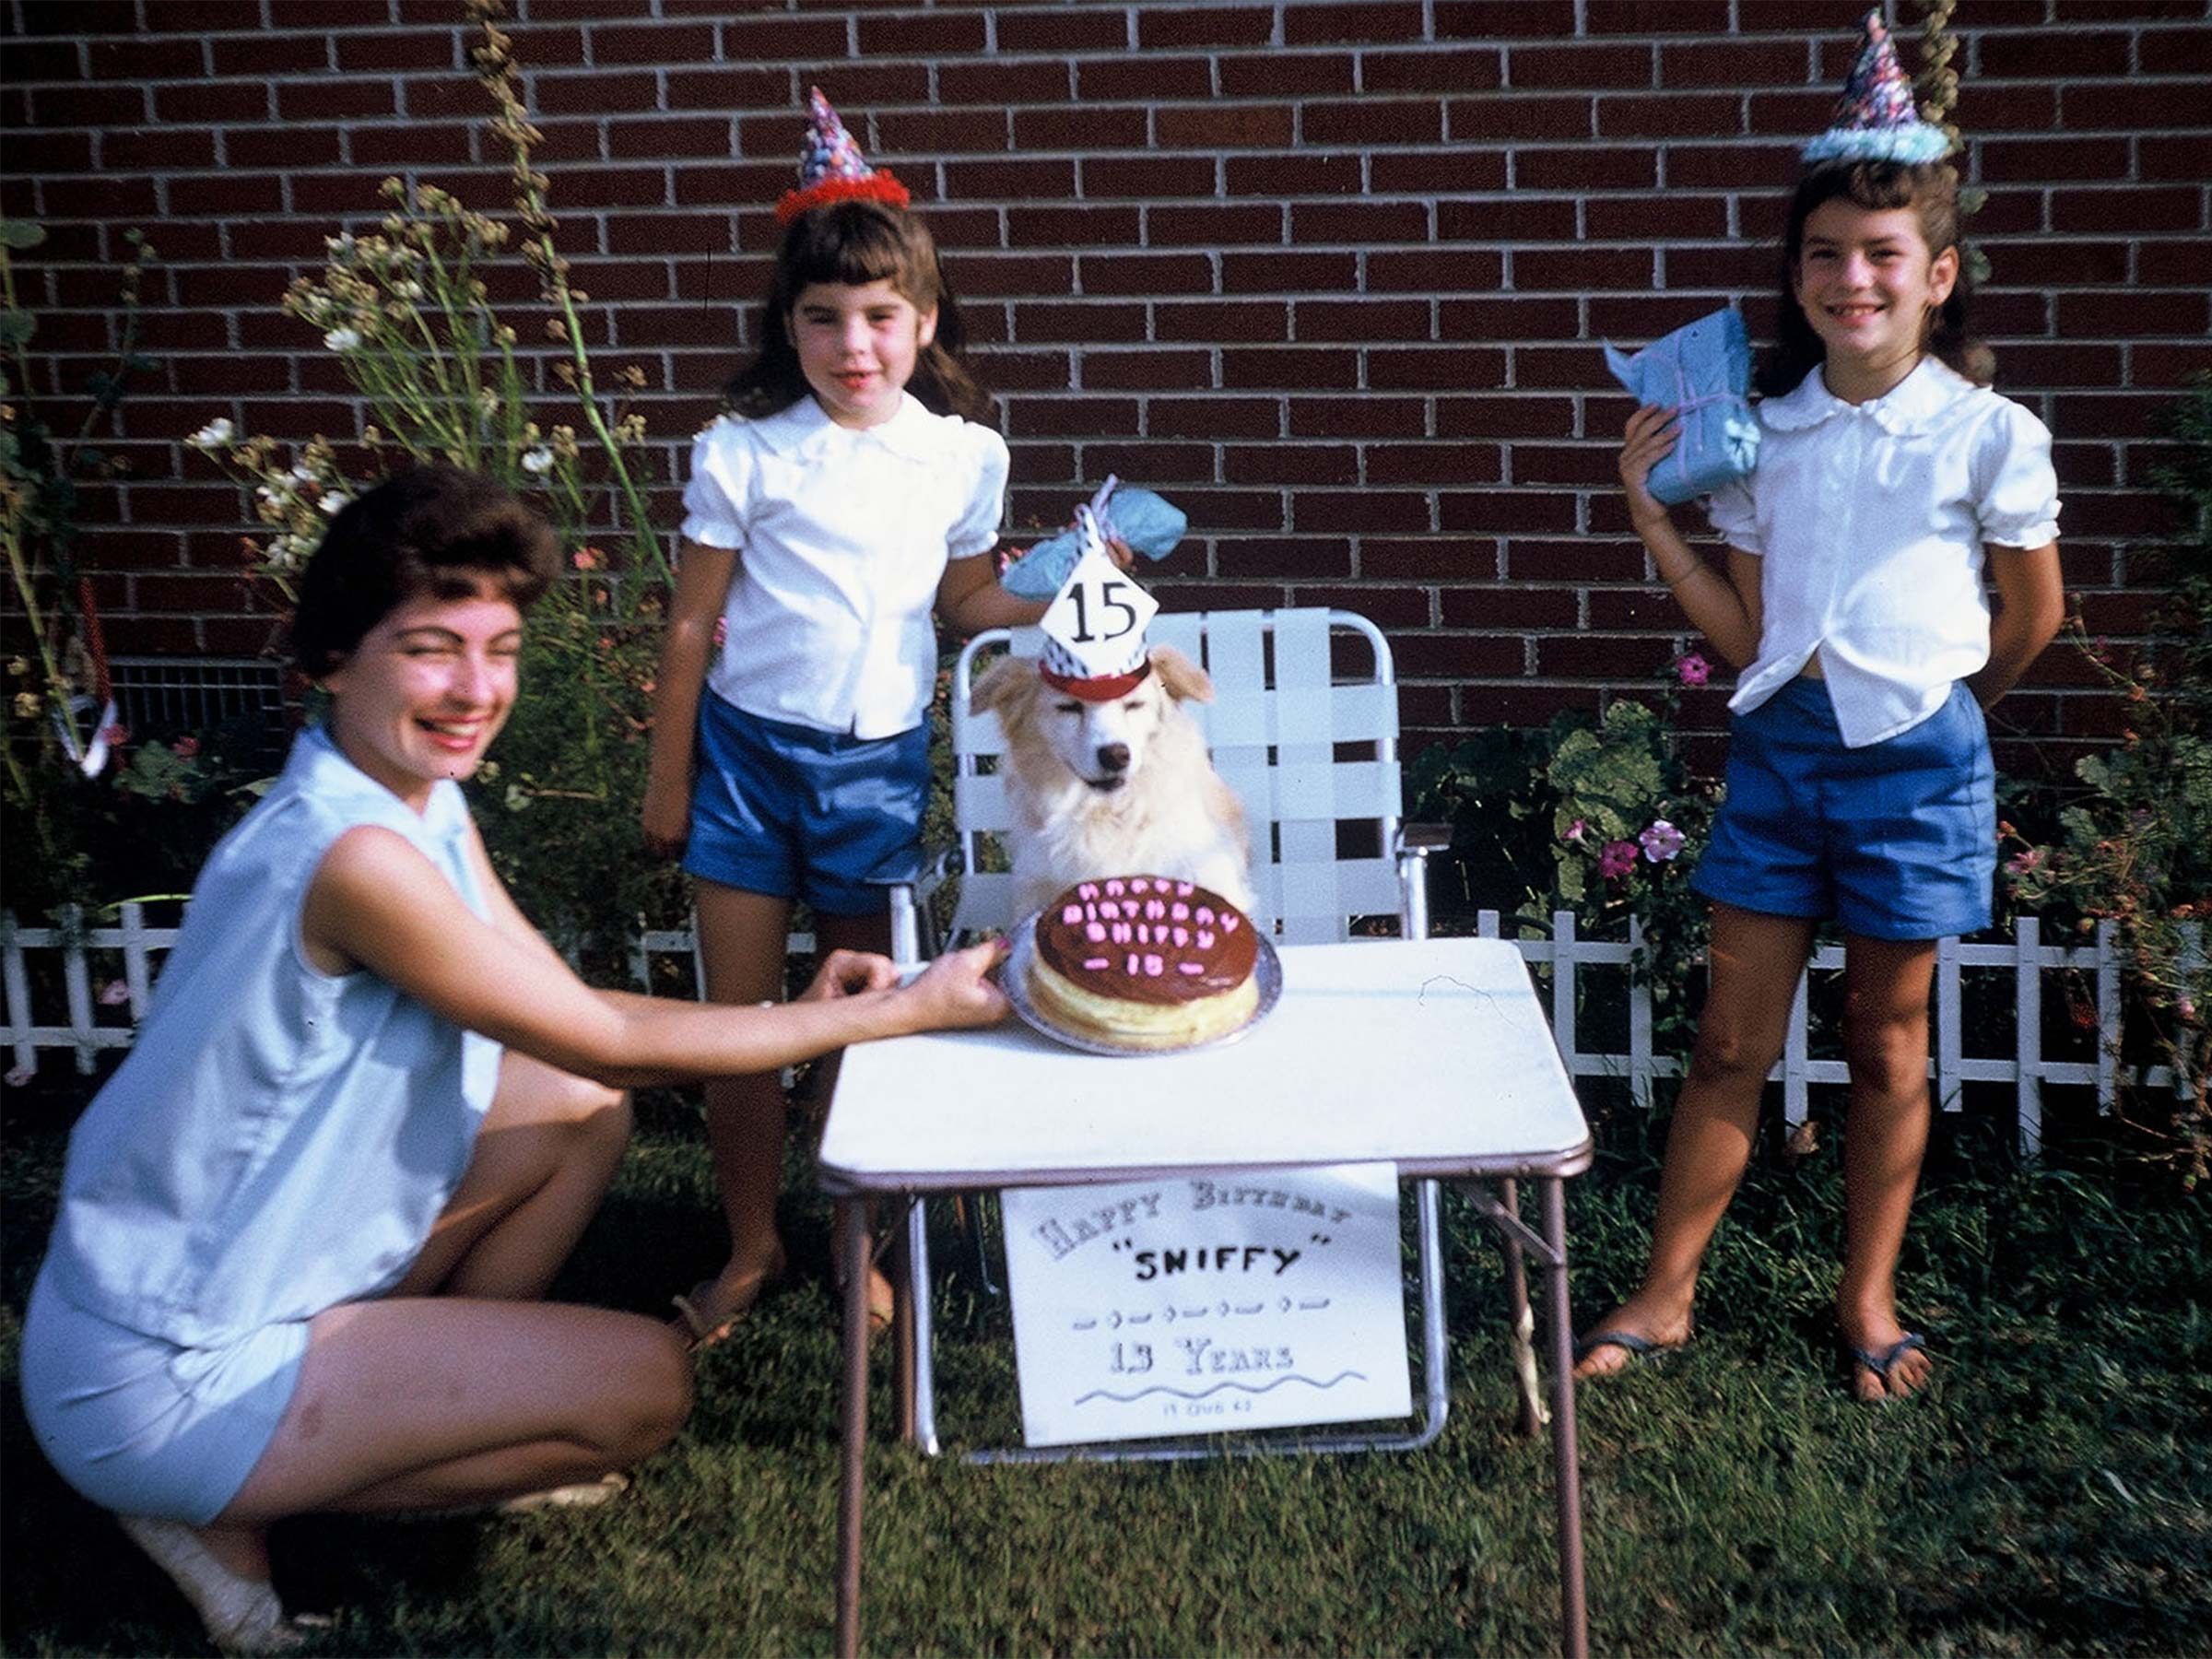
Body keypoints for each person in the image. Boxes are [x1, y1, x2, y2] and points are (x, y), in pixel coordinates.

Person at [20, 465, 1011, 1653]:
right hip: (164, 1376)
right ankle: (220, 1498)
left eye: (499, 649)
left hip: (164, 1288)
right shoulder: (357, 862)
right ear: (333, 657)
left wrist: (810, 1002)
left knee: (579, 1111)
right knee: (647, 1386)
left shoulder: (400, 797)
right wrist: (889, 1015)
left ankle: (411, 1403)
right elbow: (614, 1033)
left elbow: (567, 1020)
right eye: (433, 650)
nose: (475, 689)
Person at [1574, 15, 2064, 1402]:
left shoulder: (1984, 434)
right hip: (1782, 753)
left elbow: (2032, 616)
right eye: (1826, 254)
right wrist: (1648, 516)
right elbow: (1746, 632)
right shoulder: (1763, 436)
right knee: (1733, 1036)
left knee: (1885, 1037)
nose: (1854, 277)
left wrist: (1945, 713)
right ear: (1797, 277)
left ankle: (1868, 1299)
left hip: (1916, 759)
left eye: (1883, 255)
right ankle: (1666, 1298)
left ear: (1937, 275)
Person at [641, 91, 1057, 1344]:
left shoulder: (959, 454)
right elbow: (687, 627)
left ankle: (856, 1236)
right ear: (788, 326)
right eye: (823, 318)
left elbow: (968, 599)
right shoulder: (745, 451)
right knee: (742, 1026)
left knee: (866, 1016)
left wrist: (1068, 595)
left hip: (873, 766)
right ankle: (753, 1242)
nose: (853, 344)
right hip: (745, 763)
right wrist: (668, 786)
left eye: (880, 317)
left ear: (923, 324)